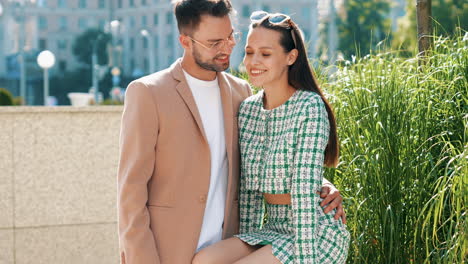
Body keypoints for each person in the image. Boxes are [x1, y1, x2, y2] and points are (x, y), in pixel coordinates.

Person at [117, 1, 346, 263]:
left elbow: (282, 160)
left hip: (234, 238)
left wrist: (321, 184)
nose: (227, 48)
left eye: (230, 37)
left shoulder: (241, 93)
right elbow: (131, 190)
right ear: (185, 41)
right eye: (214, 42)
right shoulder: (149, 93)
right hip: (173, 247)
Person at [192, 11, 350, 264]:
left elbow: (304, 189)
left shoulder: (309, 106)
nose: (253, 61)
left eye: (265, 54)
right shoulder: (248, 110)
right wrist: (247, 237)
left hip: (312, 232)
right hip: (272, 229)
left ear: (291, 57)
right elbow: (248, 194)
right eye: (249, 51)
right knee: (204, 260)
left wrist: (306, 258)